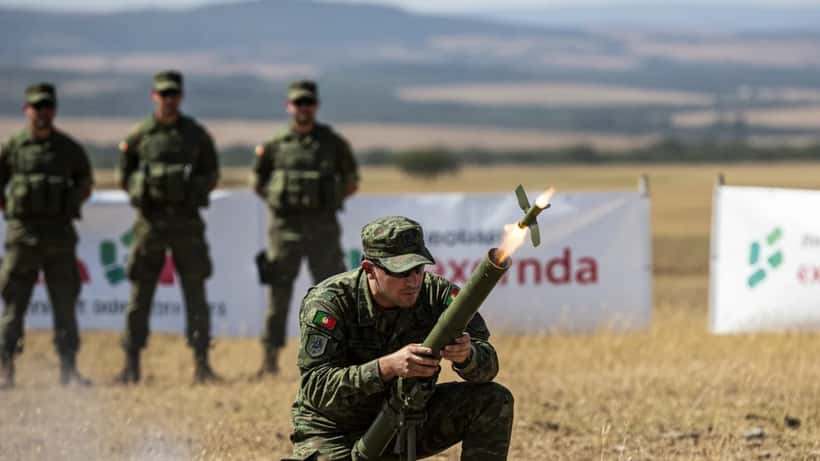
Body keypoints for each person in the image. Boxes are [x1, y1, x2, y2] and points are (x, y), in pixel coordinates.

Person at [286, 216, 514, 460]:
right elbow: (317, 388)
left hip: (407, 418)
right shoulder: (330, 303)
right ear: (369, 269)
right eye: (401, 272)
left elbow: (488, 366)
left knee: (493, 400)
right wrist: (387, 367)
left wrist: (468, 356)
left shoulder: (437, 294)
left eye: (418, 269)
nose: (413, 281)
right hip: (335, 429)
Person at [115, 70, 221, 384]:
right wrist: (144, 188)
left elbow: (212, 173)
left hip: (187, 224)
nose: (169, 100)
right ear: (154, 96)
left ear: (181, 97)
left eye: (173, 94)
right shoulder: (140, 136)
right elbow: (124, 175)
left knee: (196, 294)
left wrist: (189, 189)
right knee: (140, 295)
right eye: (163, 95)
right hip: (151, 225)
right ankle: (131, 364)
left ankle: (202, 364)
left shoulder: (196, 135)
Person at [252, 80, 359, 377]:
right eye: (298, 103)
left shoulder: (333, 143)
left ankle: (337, 358)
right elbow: (258, 182)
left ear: (316, 106)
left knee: (333, 295)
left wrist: (326, 201)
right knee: (278, 297)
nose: (303, 108)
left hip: (323, 230)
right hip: (285, 231)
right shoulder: (275, 145)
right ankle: (270, 360)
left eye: (308, 103)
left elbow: (351, 181)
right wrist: (281, 202)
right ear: (289, 106)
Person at [0, 83, 94, 389]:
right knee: (13, 307)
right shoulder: (13, 148)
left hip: (59, 238)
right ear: (26, 109)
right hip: (23, 239)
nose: (42, 113)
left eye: (47, 107)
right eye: (36, 107)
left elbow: (85, 182)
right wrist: (13, 210)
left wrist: (68, 201)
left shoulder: (68, 149)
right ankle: (5, 369)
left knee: (65, 306)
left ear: (54, 110)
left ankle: (69, 370)